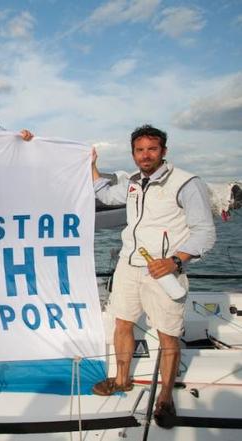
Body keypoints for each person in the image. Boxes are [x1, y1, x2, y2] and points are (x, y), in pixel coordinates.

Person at [91, 125, 216, 428]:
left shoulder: (186, 182)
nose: (145, 155)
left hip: (163, 271)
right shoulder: (134, 182)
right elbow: (106, 195)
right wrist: (91, 166)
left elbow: (205, 233)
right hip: (129, 265)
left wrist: (175, 260)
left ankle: (165, 399)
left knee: (167, 334)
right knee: (122, 322)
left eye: (152, 149)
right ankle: (121, 380)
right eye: (139, 150)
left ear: (164, 151)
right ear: (133, 153)